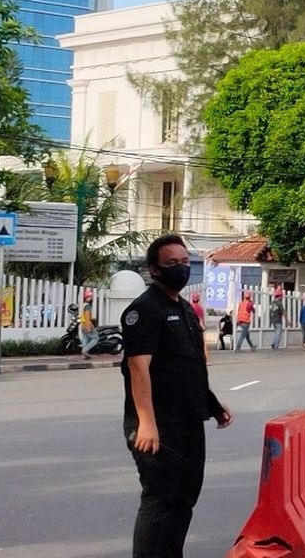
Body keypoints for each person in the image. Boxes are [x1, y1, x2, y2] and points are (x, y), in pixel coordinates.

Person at [121, 234, 233, 558]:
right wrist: (146, 423)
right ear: (154, 270)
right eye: (172, 264)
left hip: (188, 421)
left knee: (184, 497)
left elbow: (189, 366)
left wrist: (213, 406)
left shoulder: (184, 308)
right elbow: (138, 368)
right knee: (160, 499)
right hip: (158, 424)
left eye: (185, 262)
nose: (181, 269)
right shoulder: (143, 310)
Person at [189, 292, 209, 364]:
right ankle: (207, 360)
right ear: (198, 299)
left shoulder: (190, 307)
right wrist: (203, 326)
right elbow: (201, 318)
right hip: (200, 327)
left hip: (192, 327)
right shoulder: (200, 308)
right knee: (203, 344)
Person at [79, 289, 99, 359]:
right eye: (90, 297)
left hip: (82, 325)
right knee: (95, 338)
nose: (91, 298)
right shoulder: (87, 307)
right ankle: (85, 350)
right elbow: (87, 317)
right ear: (87, 297)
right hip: (87, 324)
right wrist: (88, 327)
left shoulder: (83, 305)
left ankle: (85, 354)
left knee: (86, 338)